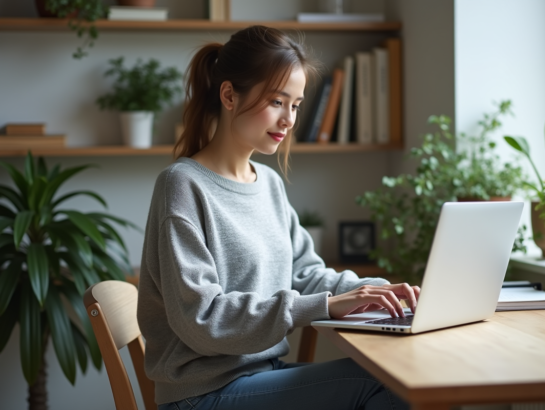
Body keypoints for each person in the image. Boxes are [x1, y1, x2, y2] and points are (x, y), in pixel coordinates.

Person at [137, 25, 420, 410]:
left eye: (296, 105)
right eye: (277, 101)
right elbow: (202, 319)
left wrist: (382, 291)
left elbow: (307, 274)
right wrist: (321, 306)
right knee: (384, 384)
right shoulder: (182, 186)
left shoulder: (267, 183)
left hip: (263, 375)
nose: (288, 120)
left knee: (394, 374)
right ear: (229, 95)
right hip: (203, 394)